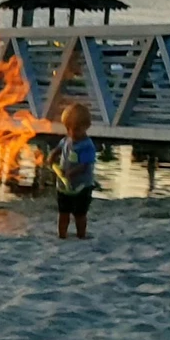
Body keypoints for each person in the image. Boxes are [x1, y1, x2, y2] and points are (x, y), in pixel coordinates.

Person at [53, 102, 96, 239]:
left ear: (86, 127)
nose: (72, 132)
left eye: (76, 129)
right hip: (64, 185)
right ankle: (62, 235)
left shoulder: (86, 146)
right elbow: (59, 148)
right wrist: (53, 155)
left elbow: (84, 165)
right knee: (63, 212)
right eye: (68, 128)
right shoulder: (67, 140)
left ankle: (81, 235)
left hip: (81, 186)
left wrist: (71, 173)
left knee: (80, 214)